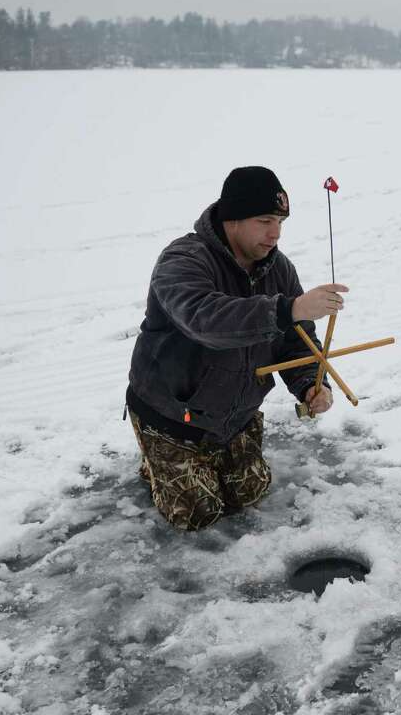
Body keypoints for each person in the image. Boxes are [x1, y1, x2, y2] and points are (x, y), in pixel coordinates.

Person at [125, 166, 346, 531]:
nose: (275, 233)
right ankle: (156, 459)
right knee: (197, 512)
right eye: (264, 221)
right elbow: (205, 322)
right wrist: (288, 309)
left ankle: (217, 451)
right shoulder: (182, 260)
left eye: (280, 221)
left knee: (250, 491)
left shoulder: (279, 269)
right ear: (232, 220)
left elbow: (296, 341)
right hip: (172, 416)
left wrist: (310, 383)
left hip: (235, 413)